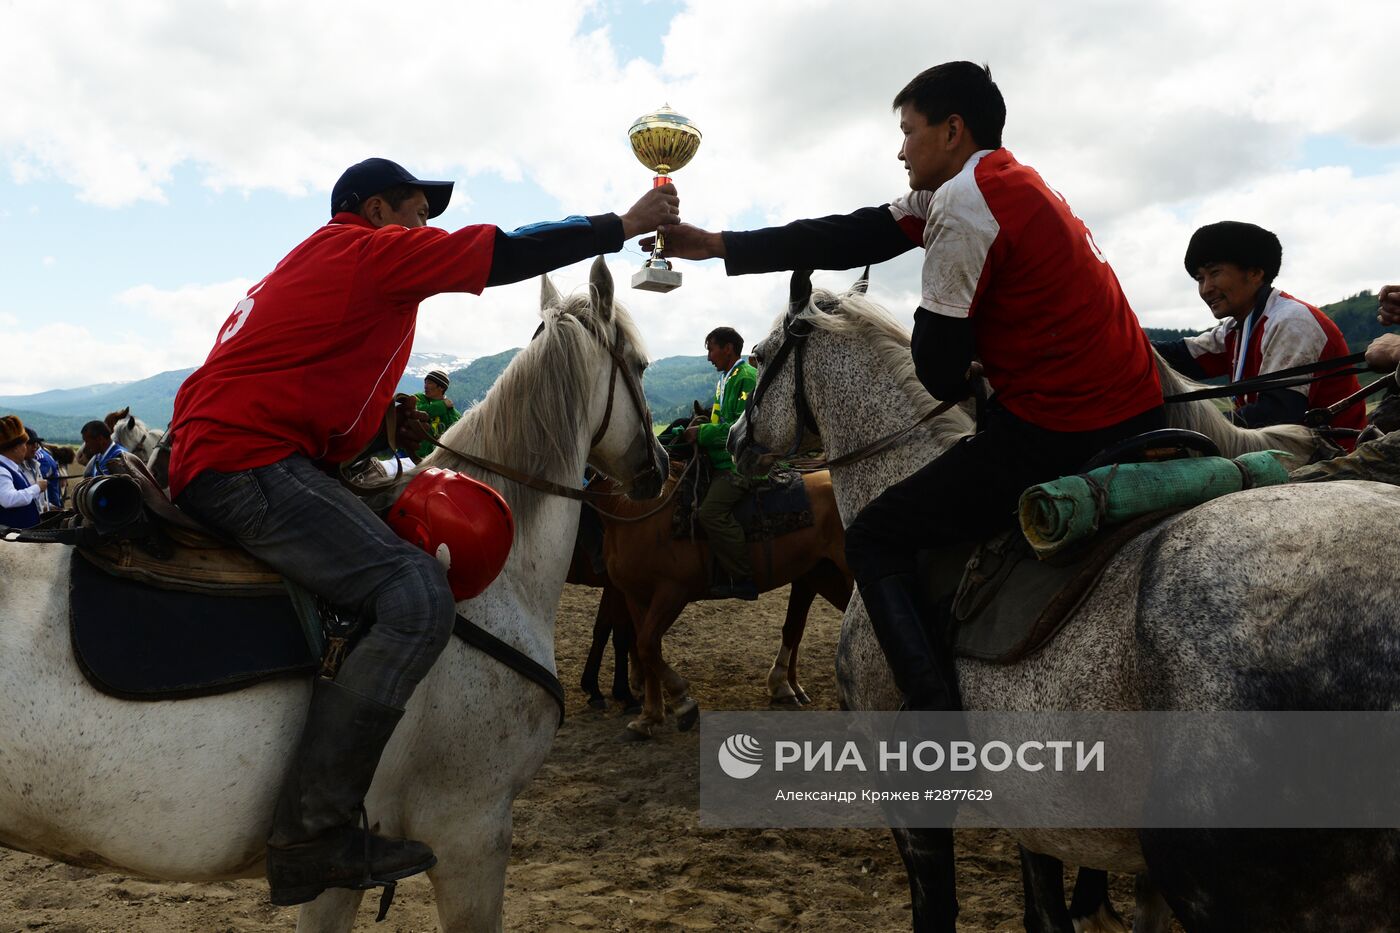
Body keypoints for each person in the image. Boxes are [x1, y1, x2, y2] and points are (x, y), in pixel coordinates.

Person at [166, 156, 678, 907]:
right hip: (248, 462)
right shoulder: (366, 252)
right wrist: (624, 226)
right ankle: (315, 825)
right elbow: (500, 248)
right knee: (415, 594)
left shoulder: (316, 262)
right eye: (415, 212)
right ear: (375, 210)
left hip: (247, 452)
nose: (424, 230)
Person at [1153, 221, 1364, 446]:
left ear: (1255, 273)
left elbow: (1278, 413)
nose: (1206, 289)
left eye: (1214, 273)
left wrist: (1192, 429)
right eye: (1200, 279)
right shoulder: (1237, 327)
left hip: (1332, 454)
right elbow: (1178, 357)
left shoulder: (1290, 321)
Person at [683, 327, 759, 600]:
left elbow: (743, 426)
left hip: (742, 465)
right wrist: (702, 424)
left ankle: (742, 577)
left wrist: (701, 433)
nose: (708, 357)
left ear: (728, 349)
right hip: (721, 459)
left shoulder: (747, 377)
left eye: (711, 349)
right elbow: (719, 421)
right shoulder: (725, 380)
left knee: (710, 513)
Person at [0, 416, 46, 529]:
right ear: (15, 447)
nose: (25, 449)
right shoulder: (1, 470)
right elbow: (8, 500)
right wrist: (37, 488)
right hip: (12, 542)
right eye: (24, 444)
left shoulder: (11, 468)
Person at [409, 370, 460, 460]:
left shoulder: (453, 413)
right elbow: (417, 411)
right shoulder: (418, 398)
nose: (425, 386)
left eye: (430, 383)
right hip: (408, 454)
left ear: (441, 388)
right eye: (425, 382)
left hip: (433, 461)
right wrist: (443, 405)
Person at [28, 431, 63, 511]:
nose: (34, 446)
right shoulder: (43, 454)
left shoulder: (41, 458)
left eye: (34, 443)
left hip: (49, 503)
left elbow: (36, 483)